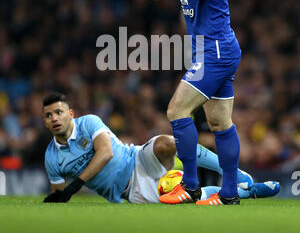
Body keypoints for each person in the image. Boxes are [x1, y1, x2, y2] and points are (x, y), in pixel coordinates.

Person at [149, 0, 243, 205]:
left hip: (216, 51)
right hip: (213, 52)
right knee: (220, 123)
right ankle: (229, 193)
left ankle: (190, 186)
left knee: (177, 111)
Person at [42, 92, 279, 204]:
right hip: (130, 191)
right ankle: (250, 191)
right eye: (48, 115)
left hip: (136, 158)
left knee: (167, 142)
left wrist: (76, 185)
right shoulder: (52, 157)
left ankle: (234, 173)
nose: (54, 118)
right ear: (44, 121)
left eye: (59, 112)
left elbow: (106, 153)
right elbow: (58, 194)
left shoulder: (89, 122)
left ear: (70, 114)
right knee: (183, 200)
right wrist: (58, 197)